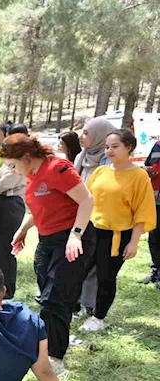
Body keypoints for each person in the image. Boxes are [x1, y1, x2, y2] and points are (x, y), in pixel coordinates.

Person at [3, 133, 94, 373]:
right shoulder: (31, 175)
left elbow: (86, 201)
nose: (12, 170)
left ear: (25, 156)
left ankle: (55, 358)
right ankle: (46, 346)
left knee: (56, 299)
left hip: (71, 238)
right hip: (47, 240)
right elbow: (41, 208)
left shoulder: (58, 168)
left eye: (13, 164)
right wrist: (23, 230)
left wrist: (75, 235)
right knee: (45, 296)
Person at [78, 130, 156, 332]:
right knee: (79, 271)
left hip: (117, 235)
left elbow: (143, 211)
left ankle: (98, 317)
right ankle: (78, 307)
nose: (109, 151)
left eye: (115, 146)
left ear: (128, 148)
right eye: (107, 147)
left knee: (106, 277)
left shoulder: (139, 176)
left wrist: (134, 242)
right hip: (92, 231)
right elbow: (86, 200)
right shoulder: (100, 171)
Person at [75, 116, 117, 317]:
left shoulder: (109, 160)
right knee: (79, 261)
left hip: (100, 219)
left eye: (86, 133)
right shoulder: (82, 156)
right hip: (78, 216)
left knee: (95, 264)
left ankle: (89, 304)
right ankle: (76, 301)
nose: (81, 137)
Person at [0, 124, 29, 299]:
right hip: (0, 203)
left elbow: (6, 182)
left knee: (6, 250)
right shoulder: (8, 156)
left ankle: (6, 291)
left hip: (12, 203)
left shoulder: (24, 158)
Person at [139, 140, 160, 288]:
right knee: (154, 237)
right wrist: (147, 170)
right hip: (155, 200)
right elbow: (149, 165)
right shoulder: (158, 145)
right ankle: (156, 270)